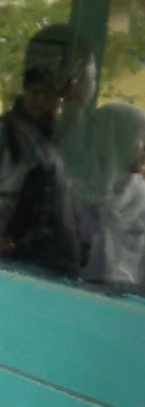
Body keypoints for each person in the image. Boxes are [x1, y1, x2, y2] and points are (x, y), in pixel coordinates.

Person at [0, 23, 87, 277]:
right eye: (36, 92)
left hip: (47, 269)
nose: (42, 100)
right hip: (12, 269)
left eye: (49, 93)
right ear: (25, 90)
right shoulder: (2, 136)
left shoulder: (49, 140)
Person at [63, 101, 145, 291]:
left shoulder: (139, 196)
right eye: (139, 140)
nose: (143, 150)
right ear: (115, 139)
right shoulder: (72, 191)